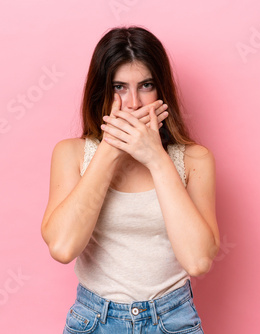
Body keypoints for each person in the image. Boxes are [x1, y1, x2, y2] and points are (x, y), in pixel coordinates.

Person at [41, 26, 220, 334]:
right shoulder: (71, 154)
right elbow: (62, 247)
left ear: (161, 90)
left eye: (146, 85)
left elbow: (198, 261)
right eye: (119, 87)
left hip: (172, 320)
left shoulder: (194, 159)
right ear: (101, 93)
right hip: (94, 320)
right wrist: (110, 148)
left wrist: (155, 158)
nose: (134, 103)